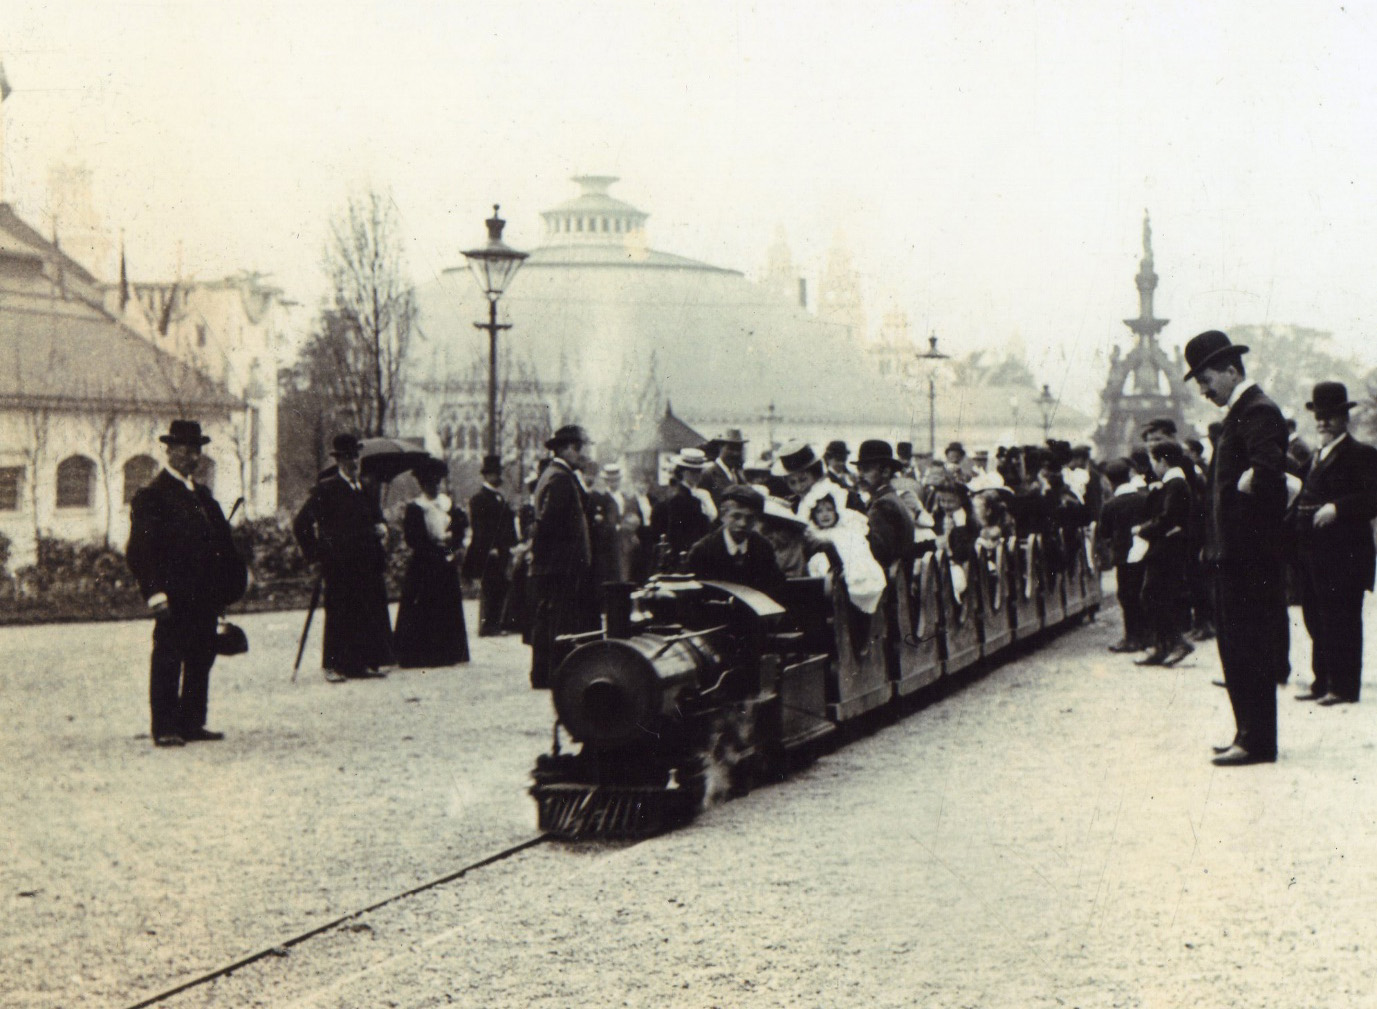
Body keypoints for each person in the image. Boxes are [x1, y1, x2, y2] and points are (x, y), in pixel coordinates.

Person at [1185, 330, 1289, 766]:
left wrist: (1249, 492)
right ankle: (1246, 732)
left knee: (1249, 646)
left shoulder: (1259, 412)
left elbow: (1267, 478)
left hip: (1248, 557)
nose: (1205, 391)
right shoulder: (1240, 413)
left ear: (1231, 369)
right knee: (1235, 646)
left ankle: (1258, 741)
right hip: (1231, 555)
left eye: (1207, 379)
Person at [126, 420, 248, 747]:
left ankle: (192, 722)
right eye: (184, 449)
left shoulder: (203, 496)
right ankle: (165, 726)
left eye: (196, 450)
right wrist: (154, 593)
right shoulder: (152, 495)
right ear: (169, 451)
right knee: (168, 656)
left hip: (205, 595)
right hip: (174, 595)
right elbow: (141, 550)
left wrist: (228, 583)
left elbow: (221, 543)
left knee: (201, 657)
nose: (191, 456)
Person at [1291, 382, 1377, 705]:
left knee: (1342, 620)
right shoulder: (1316, 457)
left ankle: (1344, 687)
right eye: (1319, 415)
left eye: (1331, 416)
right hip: (1314, 552)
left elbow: (1373, 498)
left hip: (1347, 554)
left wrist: (1338, 508)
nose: (1323, 422)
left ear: (1345, 418)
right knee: (1316, 617)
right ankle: (1321, 681)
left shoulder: (1363, 455)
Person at [292, 433, 394, 681]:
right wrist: (317, 552)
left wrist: (382, 527)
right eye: (347, 457)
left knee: (365, 610)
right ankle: (333, 666)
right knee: (339, 612)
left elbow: (376, 518)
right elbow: (301, 523)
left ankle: (362, 663)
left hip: (366, 562)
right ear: (338, 461)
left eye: (355, 456)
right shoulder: (327, 489)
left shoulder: (366, 489)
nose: (353, 462)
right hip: (339, 563)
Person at [529, 425, 599, 689]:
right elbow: (549, 524)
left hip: (554, 564)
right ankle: (552, 673)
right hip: (560, 565)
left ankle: (545, 673)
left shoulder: (556, 474)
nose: (583, 454)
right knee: (559, 619)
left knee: (551, 618)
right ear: (569, 448)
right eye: (581, 448)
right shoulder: (560, 478)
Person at [393, 458, 470, 668]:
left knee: (446, 604)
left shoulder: (448, 505)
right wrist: (436, 550)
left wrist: (451, 550)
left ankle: (450, 652)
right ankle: (422, 654)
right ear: (422, 485)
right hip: (425, 563)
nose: (433, 487)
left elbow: (459, 533)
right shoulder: (416, 508)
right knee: (423, 604)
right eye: (429, 484)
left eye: (436, 483)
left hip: (445, 561)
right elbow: (414, 539)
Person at [1133, 441, 1195, 667]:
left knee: (1153, 594)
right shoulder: (1171, 483)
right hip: (1166, 547)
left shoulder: (1176, 484)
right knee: (1155, 595)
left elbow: (1168, 517)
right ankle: (1163, 645)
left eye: (1154, 461)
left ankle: (1175, 642)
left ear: (1163, 461)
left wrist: (1143, 529)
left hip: (1168, 548)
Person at [684, 484, 786, 600]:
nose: (743, 523)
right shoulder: (703, 551)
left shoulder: (763, 547)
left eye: (750, 518)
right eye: (736, 516)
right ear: (723, 515)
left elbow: (776, 587)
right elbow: (694, 597)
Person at [800, 480, 887, 613]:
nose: (825, 514)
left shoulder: (843, 530)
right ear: (813, 516)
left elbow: (855, 551)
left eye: (829, 510)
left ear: (836, 511)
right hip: (825, 578)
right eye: (819, 511)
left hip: (843, 574)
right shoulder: (814, 536)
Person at [1098, 458, 1151, 653]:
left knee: (1127, 596)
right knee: (1142, 594)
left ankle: (1131, 637)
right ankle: (1147, 636)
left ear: (1110, 481)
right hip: (1144, 551)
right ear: (1129, 475)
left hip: (1123, 555)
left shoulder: (1110, 505)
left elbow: (1104, 533)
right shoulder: (1144, 498)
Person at [462, 454, 518, 637]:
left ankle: (496, 622)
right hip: (489, 550)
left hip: (502, 549)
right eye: (494, 474)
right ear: (486, 476)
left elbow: (507, 524)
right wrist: (490, 547)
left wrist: (511, 544)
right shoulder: (479, 499)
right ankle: (487, 625)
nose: (497, 477)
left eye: (498, 473)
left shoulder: (499, 498)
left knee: (501, 585)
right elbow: (480, 527)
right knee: (490, 587)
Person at [648, 448, 717, 570]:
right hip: (683, 554)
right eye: (692, 472)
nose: (697, 476)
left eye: (699, 471)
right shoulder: (679, 497)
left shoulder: (699, 494)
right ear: (683, 472)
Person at [698, 429, 747, 503]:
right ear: (720, 447)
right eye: (731, 448)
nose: (735, 453)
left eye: (738, 449)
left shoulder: (738, 474)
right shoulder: (708, 473)